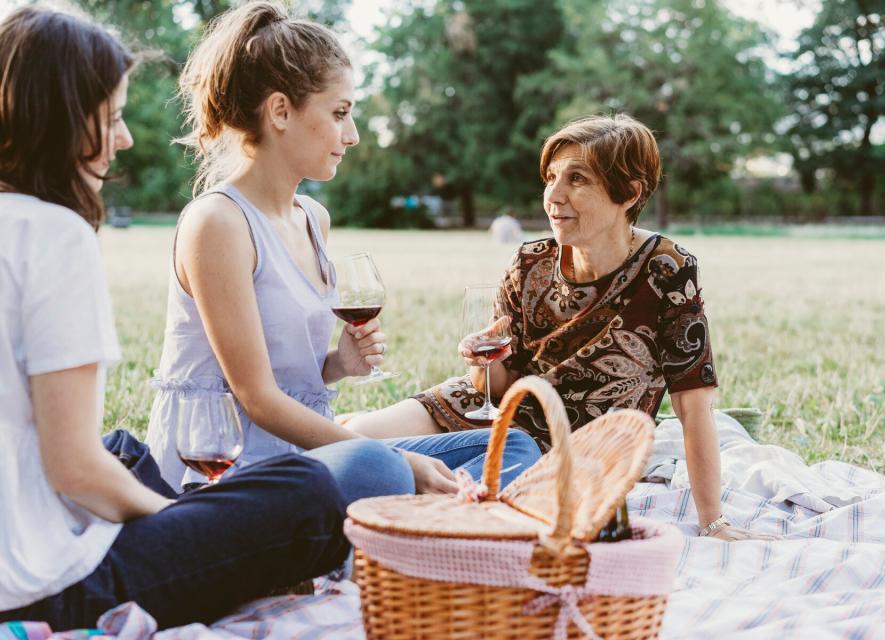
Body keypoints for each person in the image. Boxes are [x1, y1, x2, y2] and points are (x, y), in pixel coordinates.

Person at [0, 6, 353, 630]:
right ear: (54, 120)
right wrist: (190, 529)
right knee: (311, 497)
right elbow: (74, 469)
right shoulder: (51, 234)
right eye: (109, 117)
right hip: (41, 585)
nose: (126, 138)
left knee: (127, 451)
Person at [143, 1, 541, 495]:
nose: (352, 135)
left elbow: (288, 367)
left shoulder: (312, 218)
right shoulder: (218, 223)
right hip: (230, 470)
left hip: (307, 455)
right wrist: (379, 456)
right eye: (340, 113)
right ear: (280, 111)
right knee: (380, 469)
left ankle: (424, 522)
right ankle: (422, 523)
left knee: (513, 445)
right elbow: (257, 398)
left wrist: (338, 364)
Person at [349, 114, 774, 541]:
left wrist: (713, 521)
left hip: (566, 453)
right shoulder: (529, 261)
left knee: (457, 512)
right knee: (346, 445)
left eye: (577, 179)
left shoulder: (667, 270)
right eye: (551, 177)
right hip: (489, 414)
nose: (553, 195)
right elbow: (496, 386)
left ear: (628, 193)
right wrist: (481, 359)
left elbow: (692, 406)